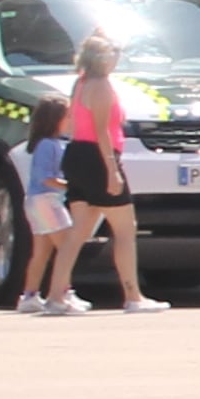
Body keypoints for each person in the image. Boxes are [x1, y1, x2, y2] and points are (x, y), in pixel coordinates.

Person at [59, 36, 162, 312]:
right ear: (102, 59)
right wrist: (112, 170)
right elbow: (102, 130)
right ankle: (133, 296)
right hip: (97, 156)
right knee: (126, 229)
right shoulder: (101, 86)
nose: (117, 58)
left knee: (77, 231)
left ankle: (56, 295)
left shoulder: (79, 84)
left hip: (76, 153)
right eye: (113, 53)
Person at [12, 113, 79, 314]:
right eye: (67, 115)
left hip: (38, 202)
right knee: (67, 246)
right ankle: (62, 294)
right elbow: (45, 178)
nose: (70, 120)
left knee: (42, 251)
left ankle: (30, 296)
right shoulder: (48, 145)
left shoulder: (50, 144)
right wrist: (72, 187)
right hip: (47, 201)